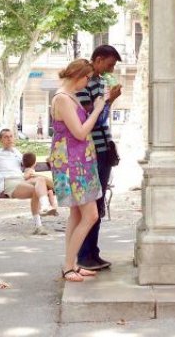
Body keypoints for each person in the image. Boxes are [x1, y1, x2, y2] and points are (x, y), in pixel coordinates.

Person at [49, 58, 107, 282]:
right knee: (90, 215)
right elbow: (80, 133)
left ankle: (72, 263)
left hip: (80, 161)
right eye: (87, 78)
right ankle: (68, 266)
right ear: (78, 76)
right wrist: (98, 109)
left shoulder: (68, 97)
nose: (87, 82)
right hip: (73, 164)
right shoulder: (62, 98)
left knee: (76, 213)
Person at [76, 45, 123, 271]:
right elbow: (91, 119)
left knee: (98, 204)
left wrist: (108, 99)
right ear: (98, 59)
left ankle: (92, 253)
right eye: (110, 64)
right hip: (92, 152)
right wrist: (110, 101)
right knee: (92, 205)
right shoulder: (84, 85)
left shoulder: (99, 83)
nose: (110, 69)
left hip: (103, 150)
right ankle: (84, 255)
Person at [0, 129, 53, 235]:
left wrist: (30, 169)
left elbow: (28, 164)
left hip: (21, 179)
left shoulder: (17, 153)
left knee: (41, 180)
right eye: (6, 137)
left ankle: (44, 209)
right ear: (0, 140)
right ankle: (39, 224)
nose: (9, 139)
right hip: (8, 182)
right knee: (37, 190)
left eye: (11, 136)